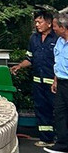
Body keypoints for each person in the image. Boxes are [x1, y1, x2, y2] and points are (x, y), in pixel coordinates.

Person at [13, 9, 57, 146]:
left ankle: (60, 138)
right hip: (38, 82)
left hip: (55, 83)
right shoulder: (34, 38)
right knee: (41, 109)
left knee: (57, 110)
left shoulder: (58, 39)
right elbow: (30, 58)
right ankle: (46, 138)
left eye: (40, 22)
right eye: (36, 22)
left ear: (49, 23)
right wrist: (19, 66)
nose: (37, 25)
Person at [48, 12, 68, 153]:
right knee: (60, 113)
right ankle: (62, 144)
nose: (53, 29)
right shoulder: (59, 41)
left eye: (55, 26)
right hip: (61, 82)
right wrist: (55, 80)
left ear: (63, 27)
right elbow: (58, 62)